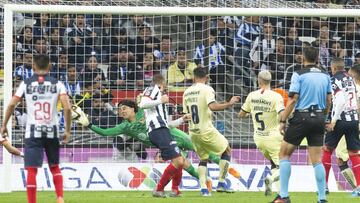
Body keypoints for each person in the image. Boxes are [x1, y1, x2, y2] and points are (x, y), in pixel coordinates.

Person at [73, 99, 241, 180]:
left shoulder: (144, 112)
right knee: (184, 164)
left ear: (133, 109)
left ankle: (229, 171)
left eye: (124, 108)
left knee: (203, 153)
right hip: (164, 143)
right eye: (119, 110)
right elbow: (105, 132)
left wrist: (176, 115)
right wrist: (89, 125)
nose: (121, 112)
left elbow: (152, 106)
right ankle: (206, 184)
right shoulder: (125, 127)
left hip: (175, 134)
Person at [0, 54, 71, 203]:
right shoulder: (58, 84)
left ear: (33, 67)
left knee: (32, 169)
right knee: (55, 167)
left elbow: (12, 104)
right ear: (50, 67)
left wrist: (4, 124)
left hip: (33, 131)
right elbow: (67, 107)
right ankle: (60, 197)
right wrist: (68, 130)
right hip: (52, 130)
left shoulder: (26, 84)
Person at [274, 47, 332, 203]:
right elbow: (328, 100)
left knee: (284, 154)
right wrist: (324, 117)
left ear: (303, 58)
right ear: (317, 58)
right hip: (319, 117)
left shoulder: (298, 74)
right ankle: (321, 198)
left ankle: (284, 196)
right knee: (317, 160)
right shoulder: (325, 76)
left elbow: (293, 99)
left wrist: (283, 119)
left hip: (302, 117)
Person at [183, 67, 240, 196]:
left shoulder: (187, 92)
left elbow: (186, 114)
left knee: (203, 158)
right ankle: (221, 183)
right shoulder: (207, 89)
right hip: (206, 130)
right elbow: (213, 106)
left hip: (193, 131)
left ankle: (204, 189)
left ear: (193, 77)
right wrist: (229, 103)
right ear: (207, 77)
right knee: (227, 150)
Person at [238, 70, 284, 196]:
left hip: (258, 138)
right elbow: (282, 115)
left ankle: (279, 193)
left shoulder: (252, 95)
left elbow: (241, 114)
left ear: (258, 81)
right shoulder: (276, 96)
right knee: (284, 166)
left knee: (274, 164)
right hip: (273, 136)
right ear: (271, 80)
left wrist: (252, 112)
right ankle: (271, 179)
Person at [139, 74, 185, 197]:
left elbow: (167, 124)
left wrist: (182, 120)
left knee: (180, 160)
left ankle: (175, 190)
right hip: (157, 130)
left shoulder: (159, 101)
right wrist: (161, 100)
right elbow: (142, 104)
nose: (165, 89)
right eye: (165, 86)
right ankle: (159, 189)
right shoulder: (153, 89)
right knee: (178, 160)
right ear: (162, 84)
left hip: (163, 129)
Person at [322, 59, 360, 196]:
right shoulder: (351, 80)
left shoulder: (333, 80)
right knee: (354, 153)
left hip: (340, 119)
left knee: (327, 149)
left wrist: (333, 120)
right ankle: (359, 186)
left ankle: (324, 186)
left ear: (333, 67)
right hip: (354, 119)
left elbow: (340, 100)